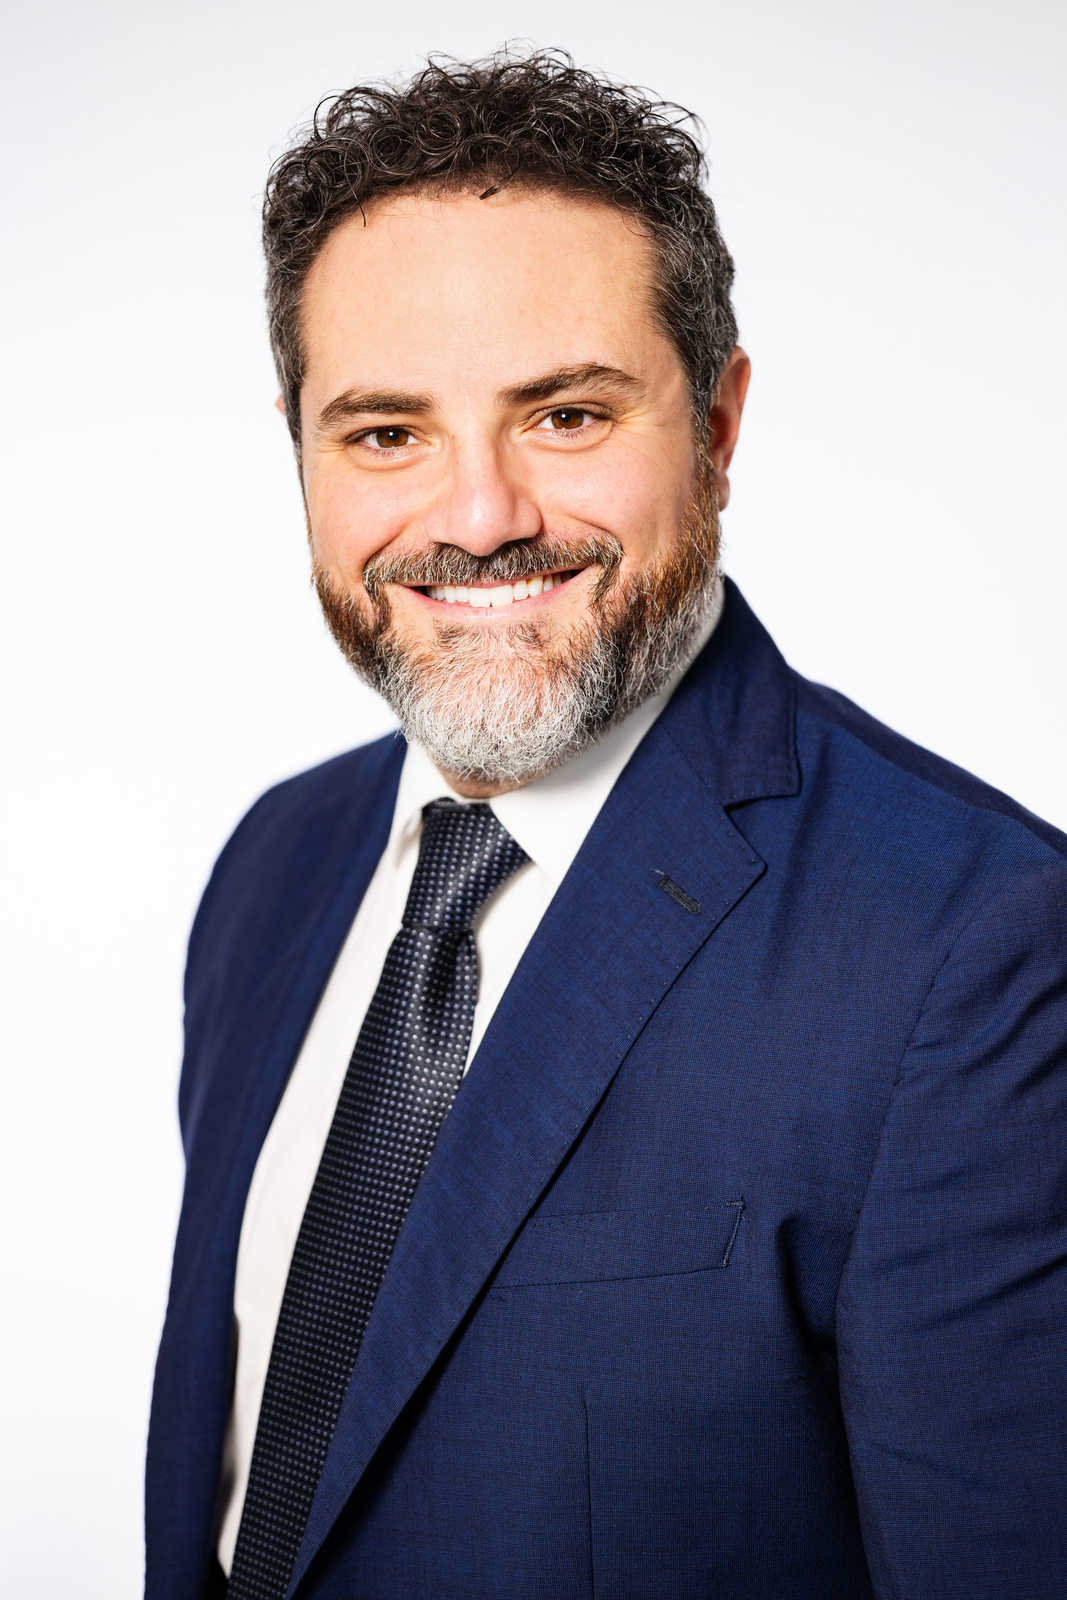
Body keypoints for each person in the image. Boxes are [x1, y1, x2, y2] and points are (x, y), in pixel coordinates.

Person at [145, 49, 1067, 1600]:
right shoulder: (275, 867)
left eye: (566, 414)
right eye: (386, 433)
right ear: (299, 445)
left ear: (718, 424)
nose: (479, 516)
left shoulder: (970, 947)